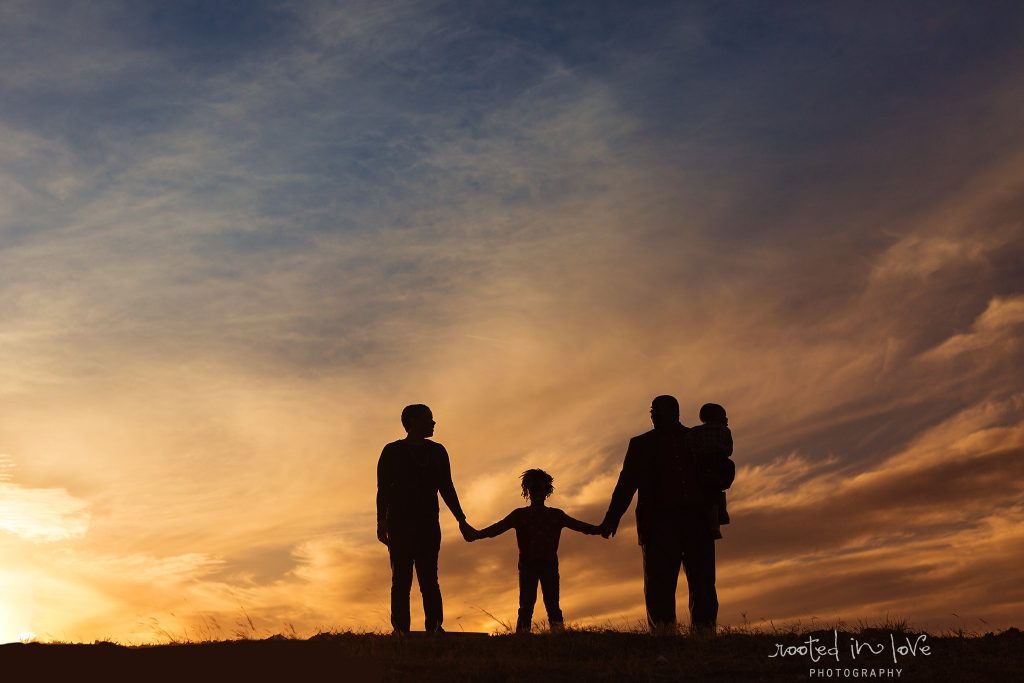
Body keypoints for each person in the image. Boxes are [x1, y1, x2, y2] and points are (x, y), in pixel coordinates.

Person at [599, 395, 734, 633]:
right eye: (652, 410)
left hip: (697, 520)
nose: (652, 414)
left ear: (674, 411)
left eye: (656, 410)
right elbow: (626, 484)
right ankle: (663, 633)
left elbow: (722, 467)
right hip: (658, 524)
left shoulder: (698, 437)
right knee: (659, 584)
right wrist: (612, 518)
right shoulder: (640, 444)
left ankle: (704, 632)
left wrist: (719, 478)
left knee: (702, 582)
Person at [376, 404, 474, 633]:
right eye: (428, 418)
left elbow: (447, 487)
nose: (433, 422)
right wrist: (381, 522)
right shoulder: (392, 451)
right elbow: (383, 490)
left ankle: (435, 627)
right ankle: (401, 630)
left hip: (428, 523)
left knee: (429, 578)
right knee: (401, 579)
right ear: (412, 422)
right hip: (399, 523)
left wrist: (461, 519)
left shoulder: (438, 451)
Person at [467, 469, 602, 633]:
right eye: (534, 489)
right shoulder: (520, 515)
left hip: (549, 566)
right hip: (528, 567)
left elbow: (580, 526)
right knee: (526, 607)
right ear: (528, 491)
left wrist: (600, 529)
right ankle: (524, 641)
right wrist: (477, 534)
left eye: (541, 488)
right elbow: (497, 528)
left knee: (552, 606)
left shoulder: (556, 515)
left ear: (547, 491)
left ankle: (558, 640)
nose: (537, 492)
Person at [687, 403, 734, 539]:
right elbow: (729, 450)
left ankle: (717, 517)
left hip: (702, 464)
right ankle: (719, 515)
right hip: (720, 462)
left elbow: (689, 444)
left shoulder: (695, 431)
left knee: (709, 492)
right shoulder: (725, 431)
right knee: (717, 489)